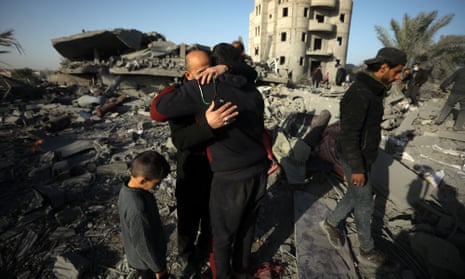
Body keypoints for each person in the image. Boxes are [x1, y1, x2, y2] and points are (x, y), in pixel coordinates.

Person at [151, 43, 269, 279]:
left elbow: (249, 75)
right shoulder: (187, 95)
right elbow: (181, 140)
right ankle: (188, 256)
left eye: (210, 68)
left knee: (216, 229)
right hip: (195, 169)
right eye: (199, 71)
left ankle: (212, 259)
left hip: (223, 174)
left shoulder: (212, 87)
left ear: (218, 68)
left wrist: (226, 68)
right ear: (188, 75)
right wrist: (208, 126)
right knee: (188, 219)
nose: (206, 74)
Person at [320, 47, 406, 267]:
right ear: (383, 67)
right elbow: (349, 134)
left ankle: (330, 223)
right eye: (397, 72)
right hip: (353, 156)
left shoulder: (374, 90)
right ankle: (367, 251)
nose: (398, 77)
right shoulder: (360, 94)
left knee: (355, 193)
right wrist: (357, 168)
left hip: (363, 155)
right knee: (365, 201)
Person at [117, 150, 171, 279]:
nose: (157, 187)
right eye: (156, 184)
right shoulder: (137, 208)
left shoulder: (128, 188)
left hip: (144, 258)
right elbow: (143, 244)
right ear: (142, 180)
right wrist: (158, 269)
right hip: (147, 263)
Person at [434, 67, 465, 131]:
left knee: (448, 105)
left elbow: (450, 79)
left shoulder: (460, 70)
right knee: (463, 110)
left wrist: (442, 86)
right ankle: (457, 127)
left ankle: (439, 120)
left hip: (455, 92)